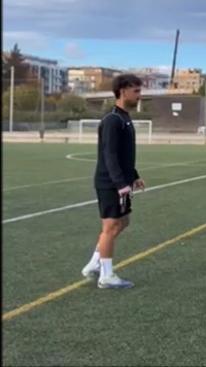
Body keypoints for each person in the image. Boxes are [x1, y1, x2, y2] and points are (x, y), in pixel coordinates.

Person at [80, 74, 145, 289]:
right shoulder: (112, 120)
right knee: (110, 226)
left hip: (122, 181)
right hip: (110, 183)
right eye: (136, 91)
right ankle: (106, 276)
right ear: (123, 91)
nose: (139, 95)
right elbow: (109, 155)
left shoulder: (125, 118)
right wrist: (120, 184)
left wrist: (134, 176)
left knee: (123, 221)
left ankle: (94, 263)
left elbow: (124, 154)